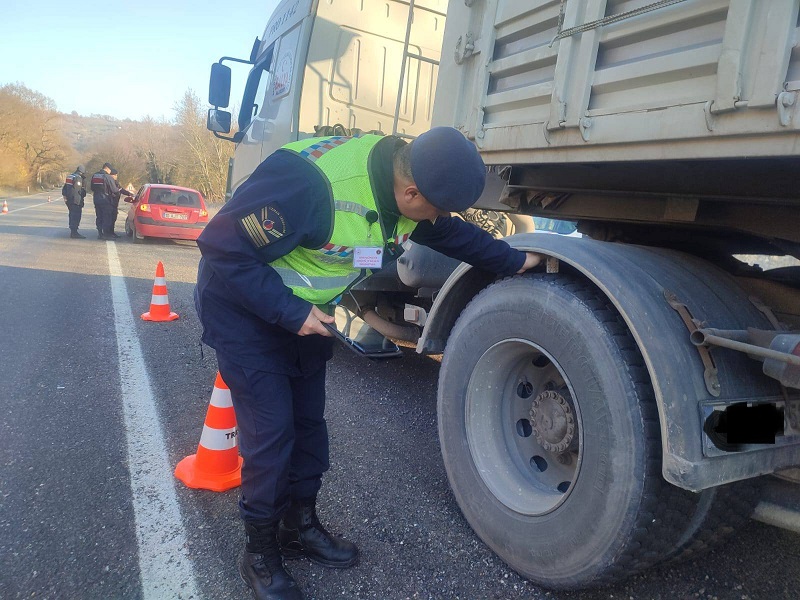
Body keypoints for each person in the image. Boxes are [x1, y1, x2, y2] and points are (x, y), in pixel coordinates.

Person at [194, 127, 541, 600]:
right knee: (272, 435)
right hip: (246, 311)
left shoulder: (402, 183)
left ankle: (299, 526)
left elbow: (449, 234)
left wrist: (512, 260)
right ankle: (259, 553)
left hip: (306, 314)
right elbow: (220, 245)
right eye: (434, 208)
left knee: (307, 425)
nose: (436, 219)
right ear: (411, 191)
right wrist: (289, 312)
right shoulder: (310, 183)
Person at [91, 163, 117, 240]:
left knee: (99, 216)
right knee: (107, 217)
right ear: (107, 169)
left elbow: (92, 188)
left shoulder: (95, 175)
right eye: (110, 170)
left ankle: (100, 233)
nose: (110, 172)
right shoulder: (108, 177)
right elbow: (114, 189)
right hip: (106, 199)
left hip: (96, 199)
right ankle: (106, 234)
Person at [62, 165, 87, 238]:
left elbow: (64, 188)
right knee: (76, 215)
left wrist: (65, 198)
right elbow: (78, 190)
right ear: (82, 172)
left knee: (71, 214)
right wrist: (83, 193)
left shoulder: (70, 176)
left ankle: (73, 231)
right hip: (76, 200)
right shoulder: (78, 178)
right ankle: (74, 232)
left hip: (69, 200)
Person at [108, 168, 133, 237]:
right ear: (112, 175)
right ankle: (108, 233)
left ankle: (111, 232)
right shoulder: (110, 182)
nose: (116, 176)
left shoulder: (115, 182)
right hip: (111, 202)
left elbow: (121, 189)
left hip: (114, 203)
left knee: (113, 218)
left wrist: (129, 194)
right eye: (115, 175)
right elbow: (116, 190)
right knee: (110, 218)